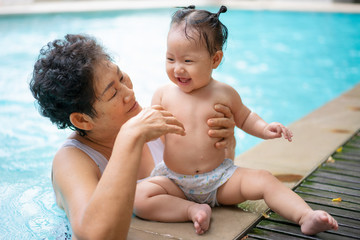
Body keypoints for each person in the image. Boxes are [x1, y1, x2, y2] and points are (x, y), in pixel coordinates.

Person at [134, 5, 338, 236]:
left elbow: (245, 117)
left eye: (188, 61)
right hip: (174, 182)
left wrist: (265, 128)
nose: (177, 68)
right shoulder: (163, 94)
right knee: (140, 197)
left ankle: (305, 215)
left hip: (220, 180)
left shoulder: (224, 93)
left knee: (264, 179)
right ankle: (192, 210)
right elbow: (153, 127)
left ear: (215, 59)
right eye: (170, 58)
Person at [29, 34, 237, 240]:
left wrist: (225, 140)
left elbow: (209, 178)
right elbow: (95, 236)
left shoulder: (154, 121)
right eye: (112, 94)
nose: (128, 92)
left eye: (121, 77)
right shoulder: (73, 160)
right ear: (83, 121)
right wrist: (129, 138)